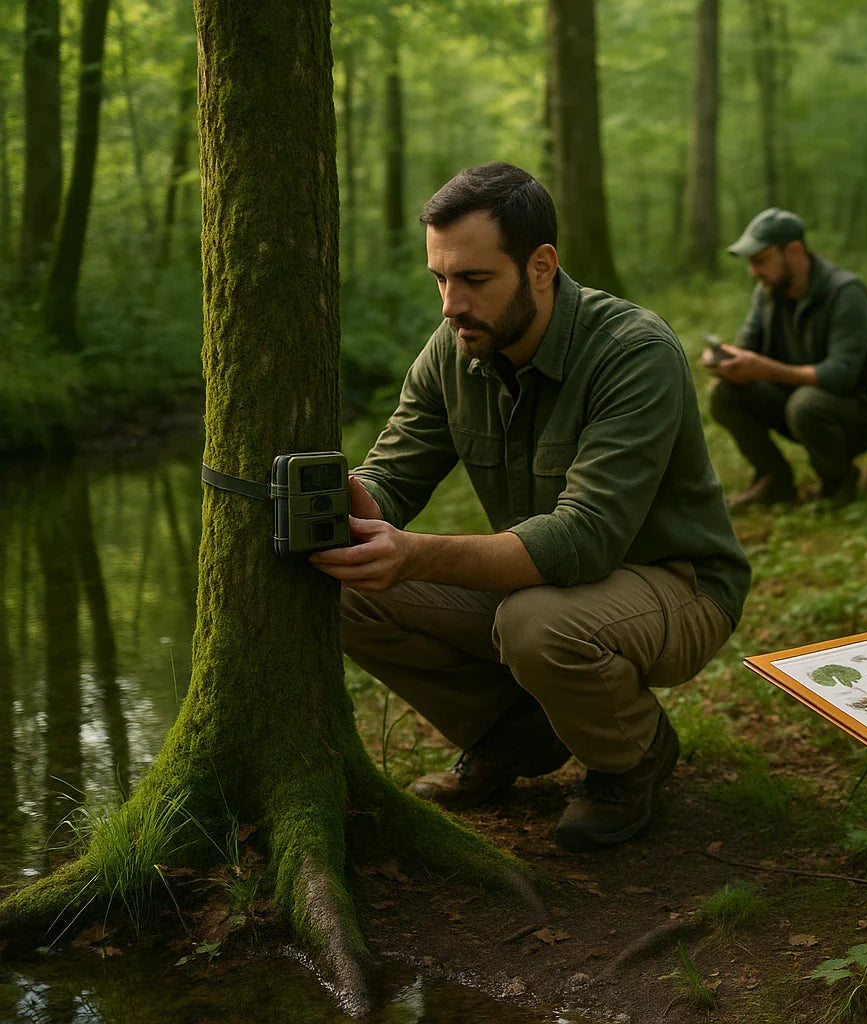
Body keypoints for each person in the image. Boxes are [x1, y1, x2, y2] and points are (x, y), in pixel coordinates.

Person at [311, 163, 751, 853]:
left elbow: (587, 539)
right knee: (338, 586)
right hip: (547, 581)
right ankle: (515, 734)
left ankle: (632, 756)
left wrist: (417, 554)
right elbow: (391, 481)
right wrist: (339, 500)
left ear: (541, 266)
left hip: (679, 584)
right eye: (440, 280)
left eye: (474, 280)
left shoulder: (632, 351)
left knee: (536, 624)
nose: (450, 304)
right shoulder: (453, 349)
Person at [705, 208, 867, 508]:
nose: (753, 271)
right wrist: (727, 360)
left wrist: (766, 370)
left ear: (793, 251)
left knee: (806, 404)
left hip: (856, 412)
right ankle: (774, 480)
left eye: (760, 261)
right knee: (724, 395)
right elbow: (749, 347)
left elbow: (841, 375)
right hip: (795, 404)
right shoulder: (767, 292)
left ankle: (839, 481)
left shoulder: (846, 293)